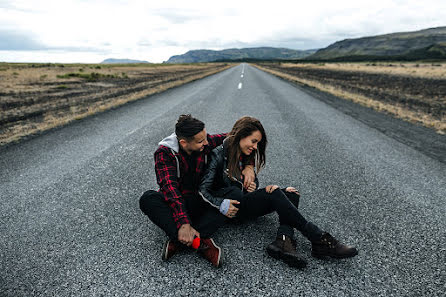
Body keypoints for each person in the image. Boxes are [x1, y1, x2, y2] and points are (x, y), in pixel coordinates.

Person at [199, 116, 358, 269]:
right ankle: (318, 238)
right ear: (241, 135)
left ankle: (284, 240)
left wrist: (252, 183)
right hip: (230, 209)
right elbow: (203, 190)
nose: (255, 147)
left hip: (244, 201)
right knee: (274, 192)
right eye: (253, 141)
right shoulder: (218, 155)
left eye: (257, 143)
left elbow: (250, 182)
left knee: (291, 193)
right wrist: (222, 204)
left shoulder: (245, 154)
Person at [139, 114, 255, 268]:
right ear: (183, 143)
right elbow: (170, 190)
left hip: (201, 199)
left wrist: (249, 166)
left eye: (206, 137)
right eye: (201, 141)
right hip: (177, 202)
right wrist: (184, 223)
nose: (207, 143)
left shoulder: (205, 143)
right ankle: (199, 242)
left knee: (235, 194)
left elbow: (239, 139)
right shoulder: (165, 154)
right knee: (148, 199)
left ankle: (179, 241)